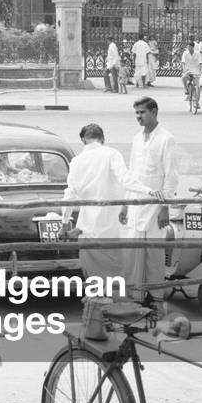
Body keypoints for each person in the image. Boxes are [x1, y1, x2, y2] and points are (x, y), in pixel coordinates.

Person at [60, 123, 161, 287]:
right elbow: (126, 180)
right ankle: (114, 307)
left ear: (83, 141)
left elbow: (69, 194)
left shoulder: (76, 162)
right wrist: (149, 191)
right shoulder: (111, 154)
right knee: (116, 276)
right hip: (113, 228)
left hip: (88, 229)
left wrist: (64, 223)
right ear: (103, 139)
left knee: (93, 279)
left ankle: (96, 308)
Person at [119, 97, 179, 302]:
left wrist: (164, 208)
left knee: (153, 255)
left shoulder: (166, 139)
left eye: (142, 112)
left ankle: (156, 299)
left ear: (154, 112)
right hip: (136, 203)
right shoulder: (137, 138)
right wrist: (125, 204)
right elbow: (132, 174)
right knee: (133, 253)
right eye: (136, 113)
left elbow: (171, 176)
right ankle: (136, 298)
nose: (138, 117)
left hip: (155, 205)